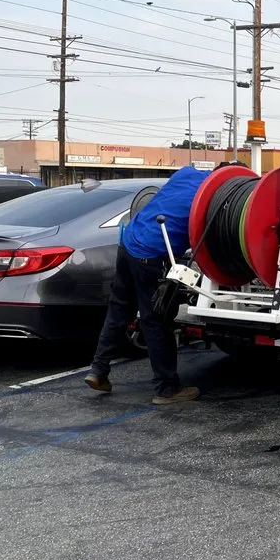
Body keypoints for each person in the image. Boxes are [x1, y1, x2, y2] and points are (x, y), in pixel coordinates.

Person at [85, 165, 211, 404]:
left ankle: (98, 371)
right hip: (150, 252)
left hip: (130, 241)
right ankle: (167, 389)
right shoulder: (214, 195)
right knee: (156, 320)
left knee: (119, 310)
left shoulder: (186, 173)